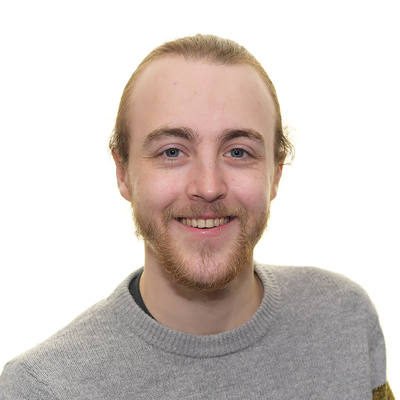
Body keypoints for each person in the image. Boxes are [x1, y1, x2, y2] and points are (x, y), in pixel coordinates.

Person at [0, 34, 394, 399]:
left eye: (238, 152)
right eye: (172, 152)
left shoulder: (345, 319)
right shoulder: (41, 389)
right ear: (123, 173)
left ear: (276, 173)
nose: (208, 186)